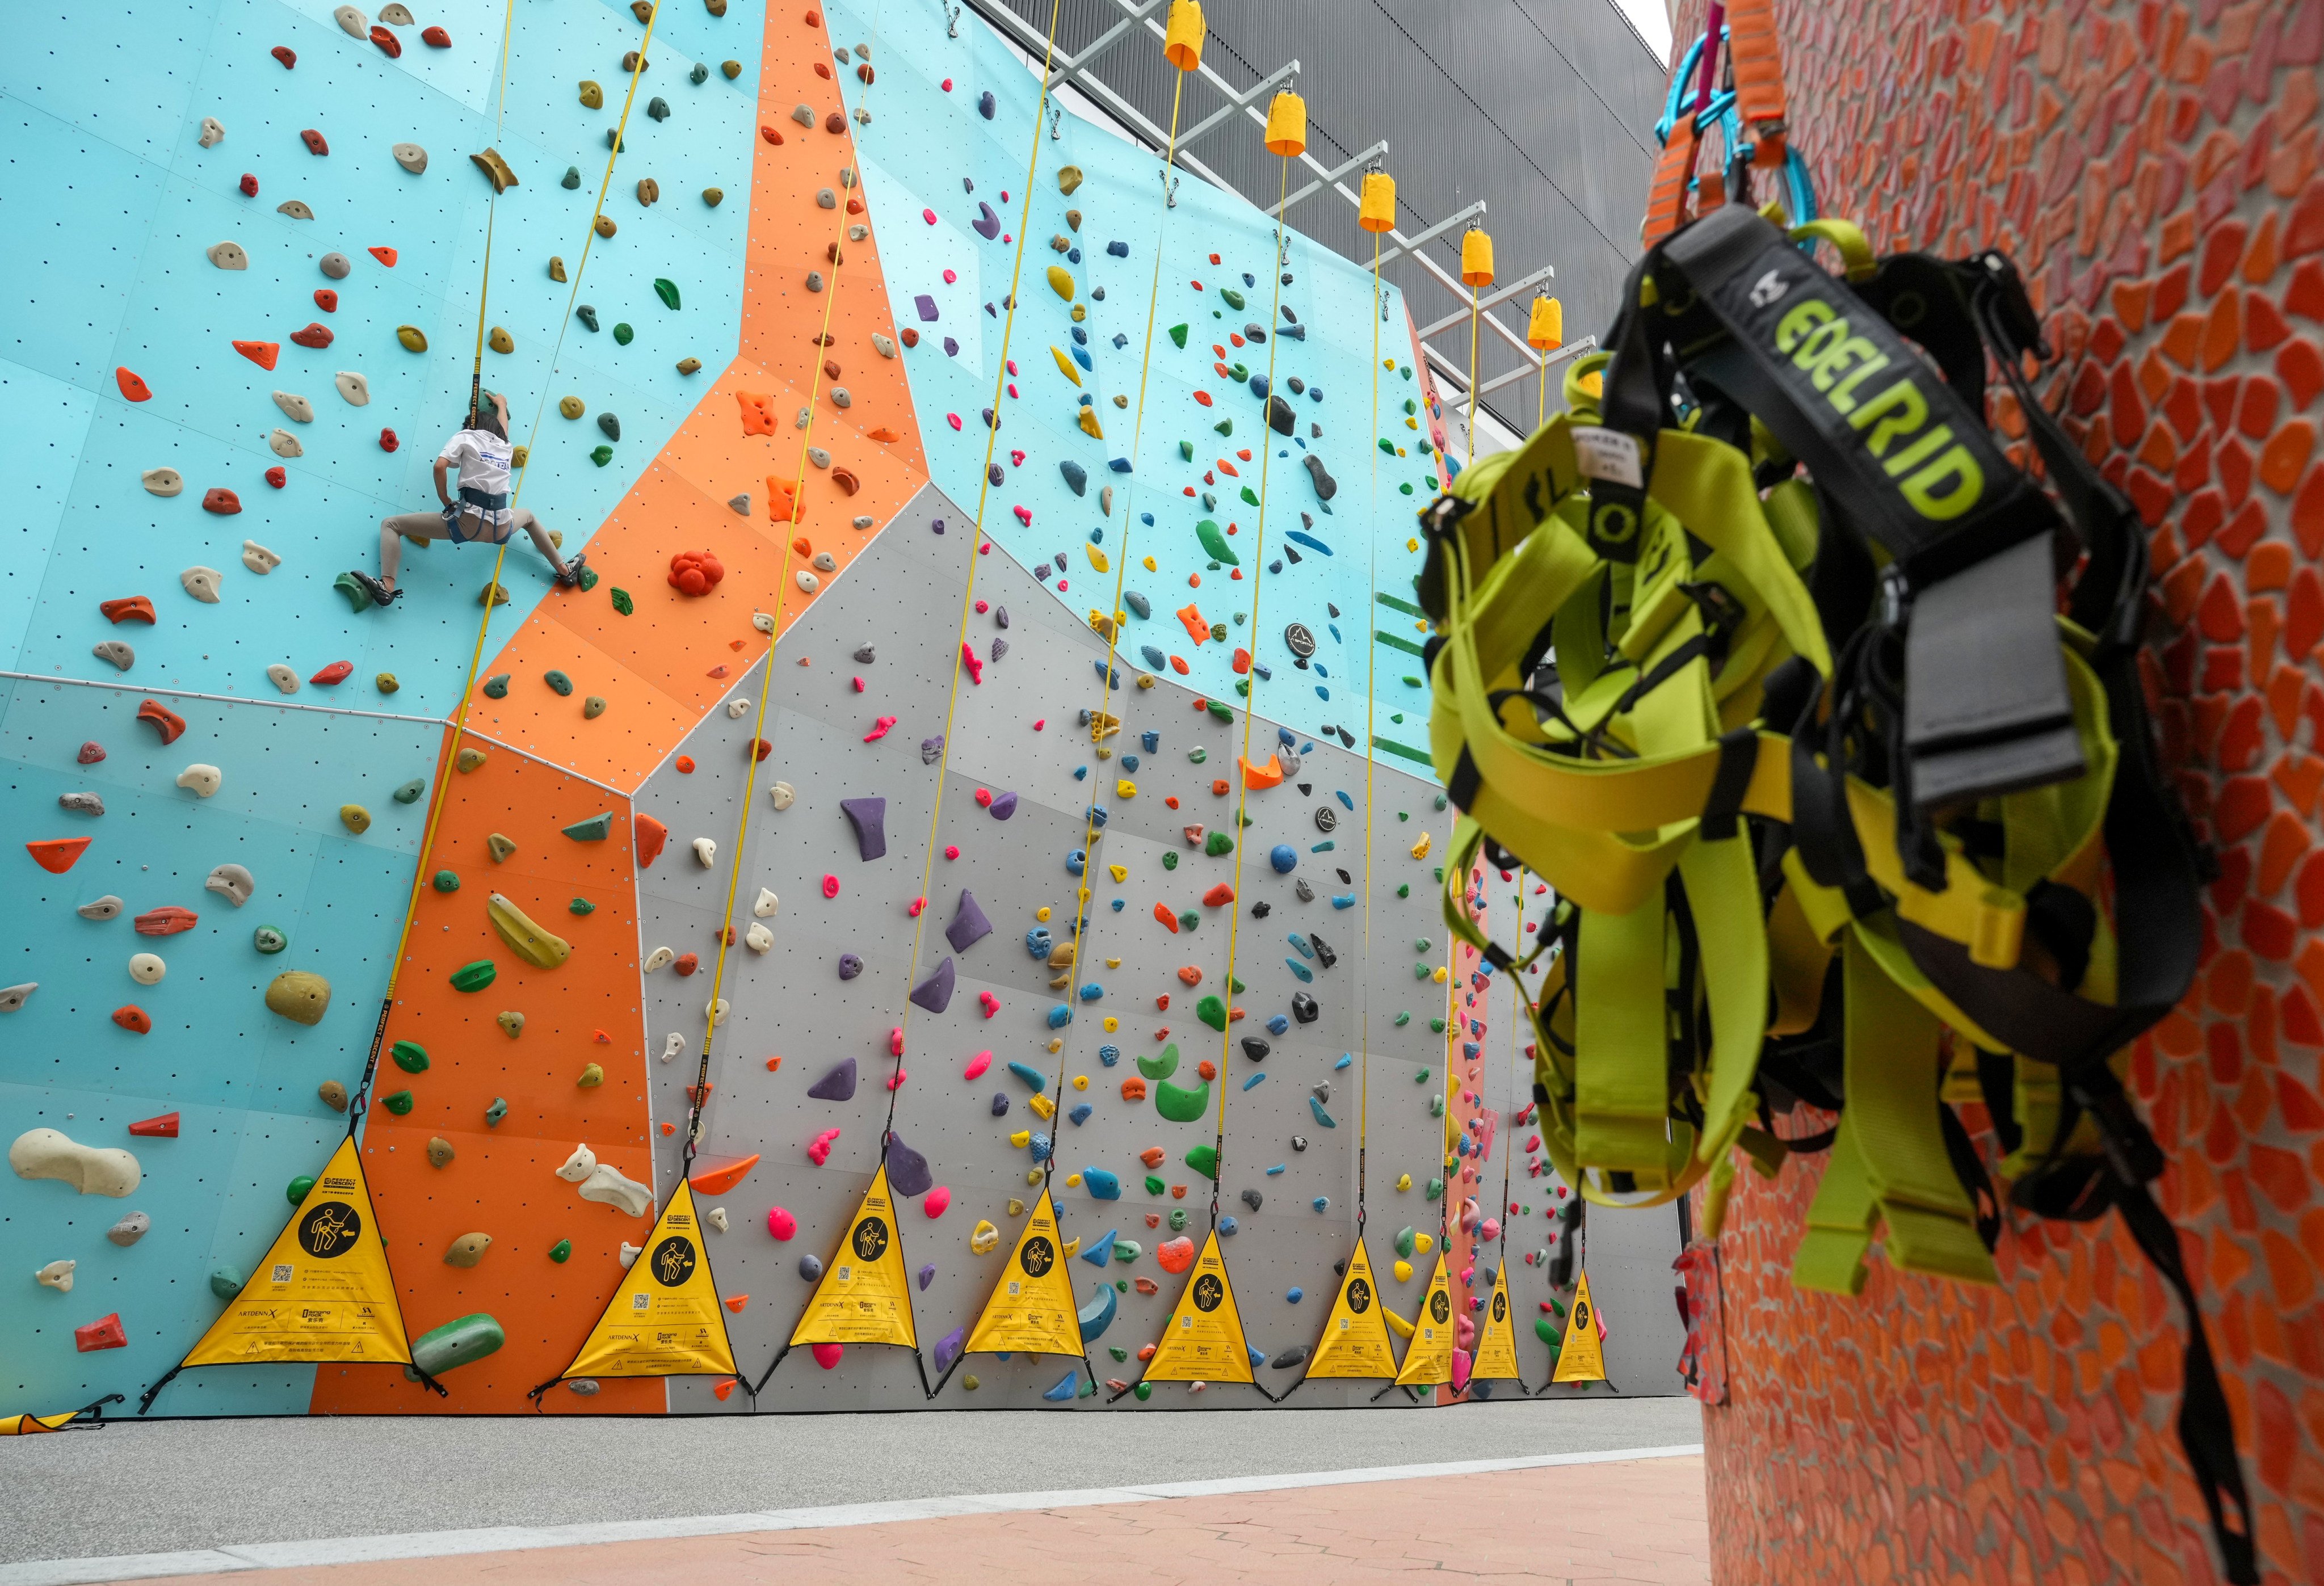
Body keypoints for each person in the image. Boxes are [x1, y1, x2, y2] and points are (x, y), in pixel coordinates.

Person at [345, 390, 583, 606]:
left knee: (391, 525)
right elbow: (503, 430)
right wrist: (502, 405)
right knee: (529, 517)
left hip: (467, 522)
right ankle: (564, 570)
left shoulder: (465, 436)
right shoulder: (505, 446)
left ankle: (387, 586)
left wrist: (444, 498)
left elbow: (440, 467)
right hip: (501, 527)